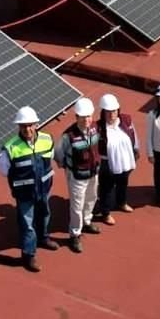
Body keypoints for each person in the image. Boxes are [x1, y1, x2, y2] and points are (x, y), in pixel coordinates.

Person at [0, 106, 58, 273]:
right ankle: (29, 255)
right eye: (23, 126)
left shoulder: (47, 139)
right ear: (19, 127)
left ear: (36, 124)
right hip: (24, 194)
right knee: (27, 224)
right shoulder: (11, 147)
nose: (27, 129)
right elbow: (3, 169)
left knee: (45, 214)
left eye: (30, 125)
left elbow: (50, 157)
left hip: (44, 189)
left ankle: (43, 238)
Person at [56, 97, 102, 253]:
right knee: (76, 206)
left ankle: (87, 222)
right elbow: (58, 153)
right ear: (76, 117)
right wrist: (66, 167)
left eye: (89, 116)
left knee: (92, 198)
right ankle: (74, 234)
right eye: (83, 117)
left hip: (93, 172)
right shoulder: (68, 135)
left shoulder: (95, 127)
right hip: (77, 176)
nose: (87, 120)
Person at [96, 93, 139, 225]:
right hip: (107, 164)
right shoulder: (97, 128)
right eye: (108, 112)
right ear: (103, 112)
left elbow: (134, 135)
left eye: (114, 111)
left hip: (125, 160)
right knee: (106, 188)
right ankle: (106, 213)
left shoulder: (126, 120)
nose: (111, 115)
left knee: (123, 183)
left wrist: (136, 150)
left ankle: (122, 203)